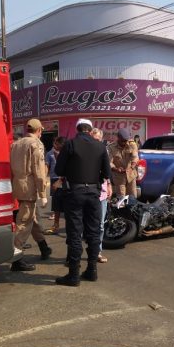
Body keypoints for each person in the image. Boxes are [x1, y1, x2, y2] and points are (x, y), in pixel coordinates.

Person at [54, 118, 112, 286]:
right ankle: (92, 271)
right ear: (90, 130)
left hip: (75, 193)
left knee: (75, 233)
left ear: (77, 129)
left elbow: (58, 169)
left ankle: (74, 275)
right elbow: (107, 173)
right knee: (93, 232)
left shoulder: (70, 144)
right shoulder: (100, 146)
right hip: (94, 194)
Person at [9, 118, 53, 271]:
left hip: (18, 185)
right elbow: (39, 171)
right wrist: (43, 193)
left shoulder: (16, 144)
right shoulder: (36, 144)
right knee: (24, 223)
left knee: (32, 219)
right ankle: (17, 259)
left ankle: (44, 247)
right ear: (39, 130)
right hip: (29, 188)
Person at [91, 128, 112, 263]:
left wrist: (109, 185)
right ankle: (75, 254)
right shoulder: (85, 151)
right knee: (82, 225)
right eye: (94, 139)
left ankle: (97, 252)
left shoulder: (104, 151)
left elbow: (107, 170)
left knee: (100, 225)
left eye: (98, 140)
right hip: (87, 192)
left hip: (102, 193)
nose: (96, 142)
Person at [107, 128, 139, 197]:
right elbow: (109, 162)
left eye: (126, 141)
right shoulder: (111, 147)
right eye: (122, 141)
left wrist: (132, 167)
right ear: (118, 138)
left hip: (131, 175)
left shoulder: (132, 144)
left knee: (132, 197)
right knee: (121, 198)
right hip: (119, 176)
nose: (124, 143)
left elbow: (135, 157)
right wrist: (116, 169)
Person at [44, 136, 65, 234]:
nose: (54, 145)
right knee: (56, 204)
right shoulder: (49, 153)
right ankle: (56, 225)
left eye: (56, 143)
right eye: (54, 143)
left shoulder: (67, 153)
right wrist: (44, 178)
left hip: (65, 180)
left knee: (67, 203)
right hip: (54, 179)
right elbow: (47, 166)